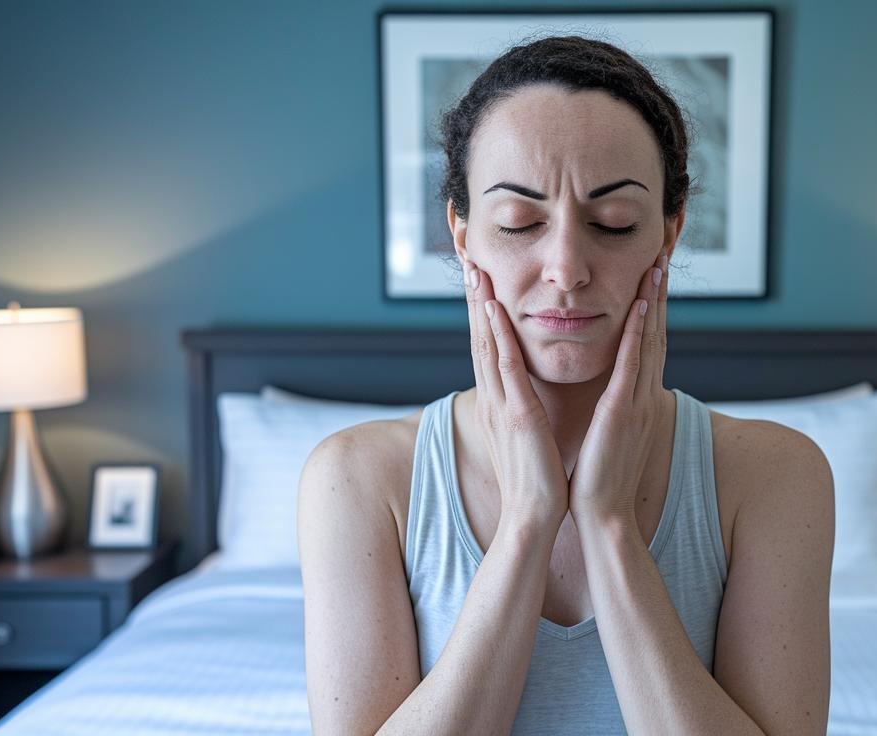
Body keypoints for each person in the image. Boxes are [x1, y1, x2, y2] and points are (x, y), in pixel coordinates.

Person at [298, 35, 833, 735]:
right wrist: (527, 520)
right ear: (462, 234)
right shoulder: (357, 479)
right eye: (519, 223)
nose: (566, 269)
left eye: (614, 224)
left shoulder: (774, 475)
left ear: (667, 234)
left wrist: (610, 524)